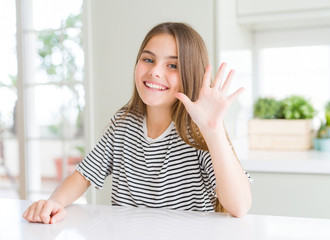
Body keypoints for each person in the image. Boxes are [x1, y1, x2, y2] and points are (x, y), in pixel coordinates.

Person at [23, 22, 252, 224]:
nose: (154, 72)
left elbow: (239, 206)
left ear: (190, 74)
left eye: (172, 65)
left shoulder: (199, 132)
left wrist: (213, 131)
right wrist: (55, 202)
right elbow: (84, 175)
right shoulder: (123, 124)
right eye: (148, 59)